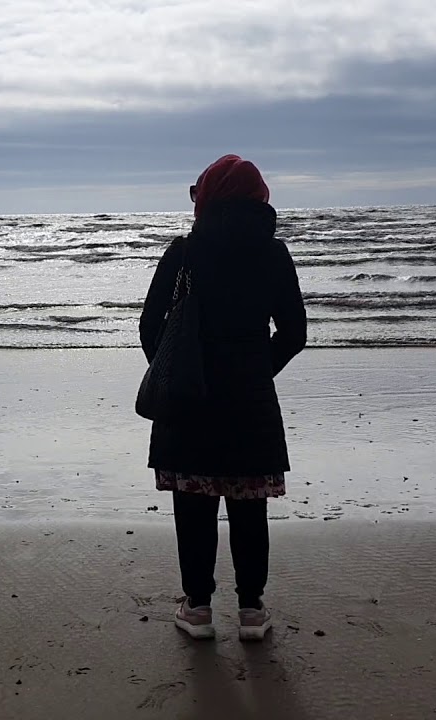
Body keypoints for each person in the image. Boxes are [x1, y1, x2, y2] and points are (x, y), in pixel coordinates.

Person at [139, 154, 307, 641]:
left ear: (206, 198)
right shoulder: (274, 254)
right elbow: (294, 333)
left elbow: (150, 326)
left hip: (188, 400)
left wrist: (174, 372)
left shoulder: (183, 253)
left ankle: (198, 611)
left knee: (193, 509)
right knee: (249, 508)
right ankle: (252, 612)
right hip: (250, 400)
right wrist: (257, 370)